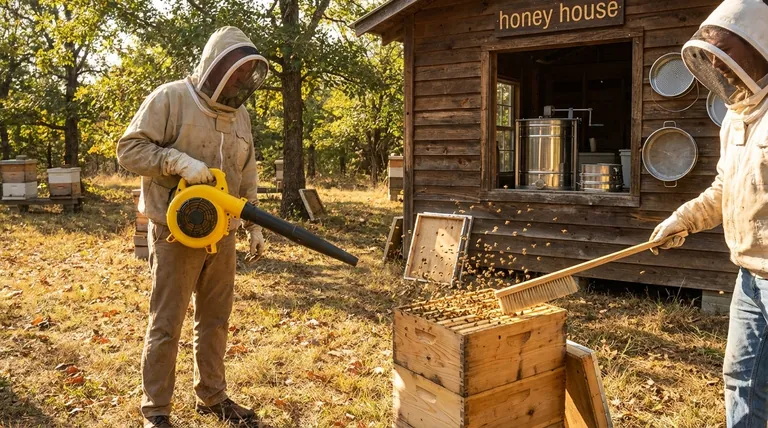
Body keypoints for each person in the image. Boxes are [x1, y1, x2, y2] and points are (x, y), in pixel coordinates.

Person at [117, 26, 269, 428]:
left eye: (246, 76)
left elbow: (247, 170)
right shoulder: (171, 98)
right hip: (174, 232)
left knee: (216, 320)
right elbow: (129, 149)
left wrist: (253, 222)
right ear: (216, 67)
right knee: (167, 322)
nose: (240, 82)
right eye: (236, 73)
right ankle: (157, 411)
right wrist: (176, 161)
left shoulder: (240, 115)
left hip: (224, 234)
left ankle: (213, 395)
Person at [649, 1, 768, 426]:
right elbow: (725, 188)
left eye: (726, 58)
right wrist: (682, 219)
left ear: (756, 52)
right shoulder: (735, 119)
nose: (721, 73)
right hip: (749, 278)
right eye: (713, 60)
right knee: (741, 378)